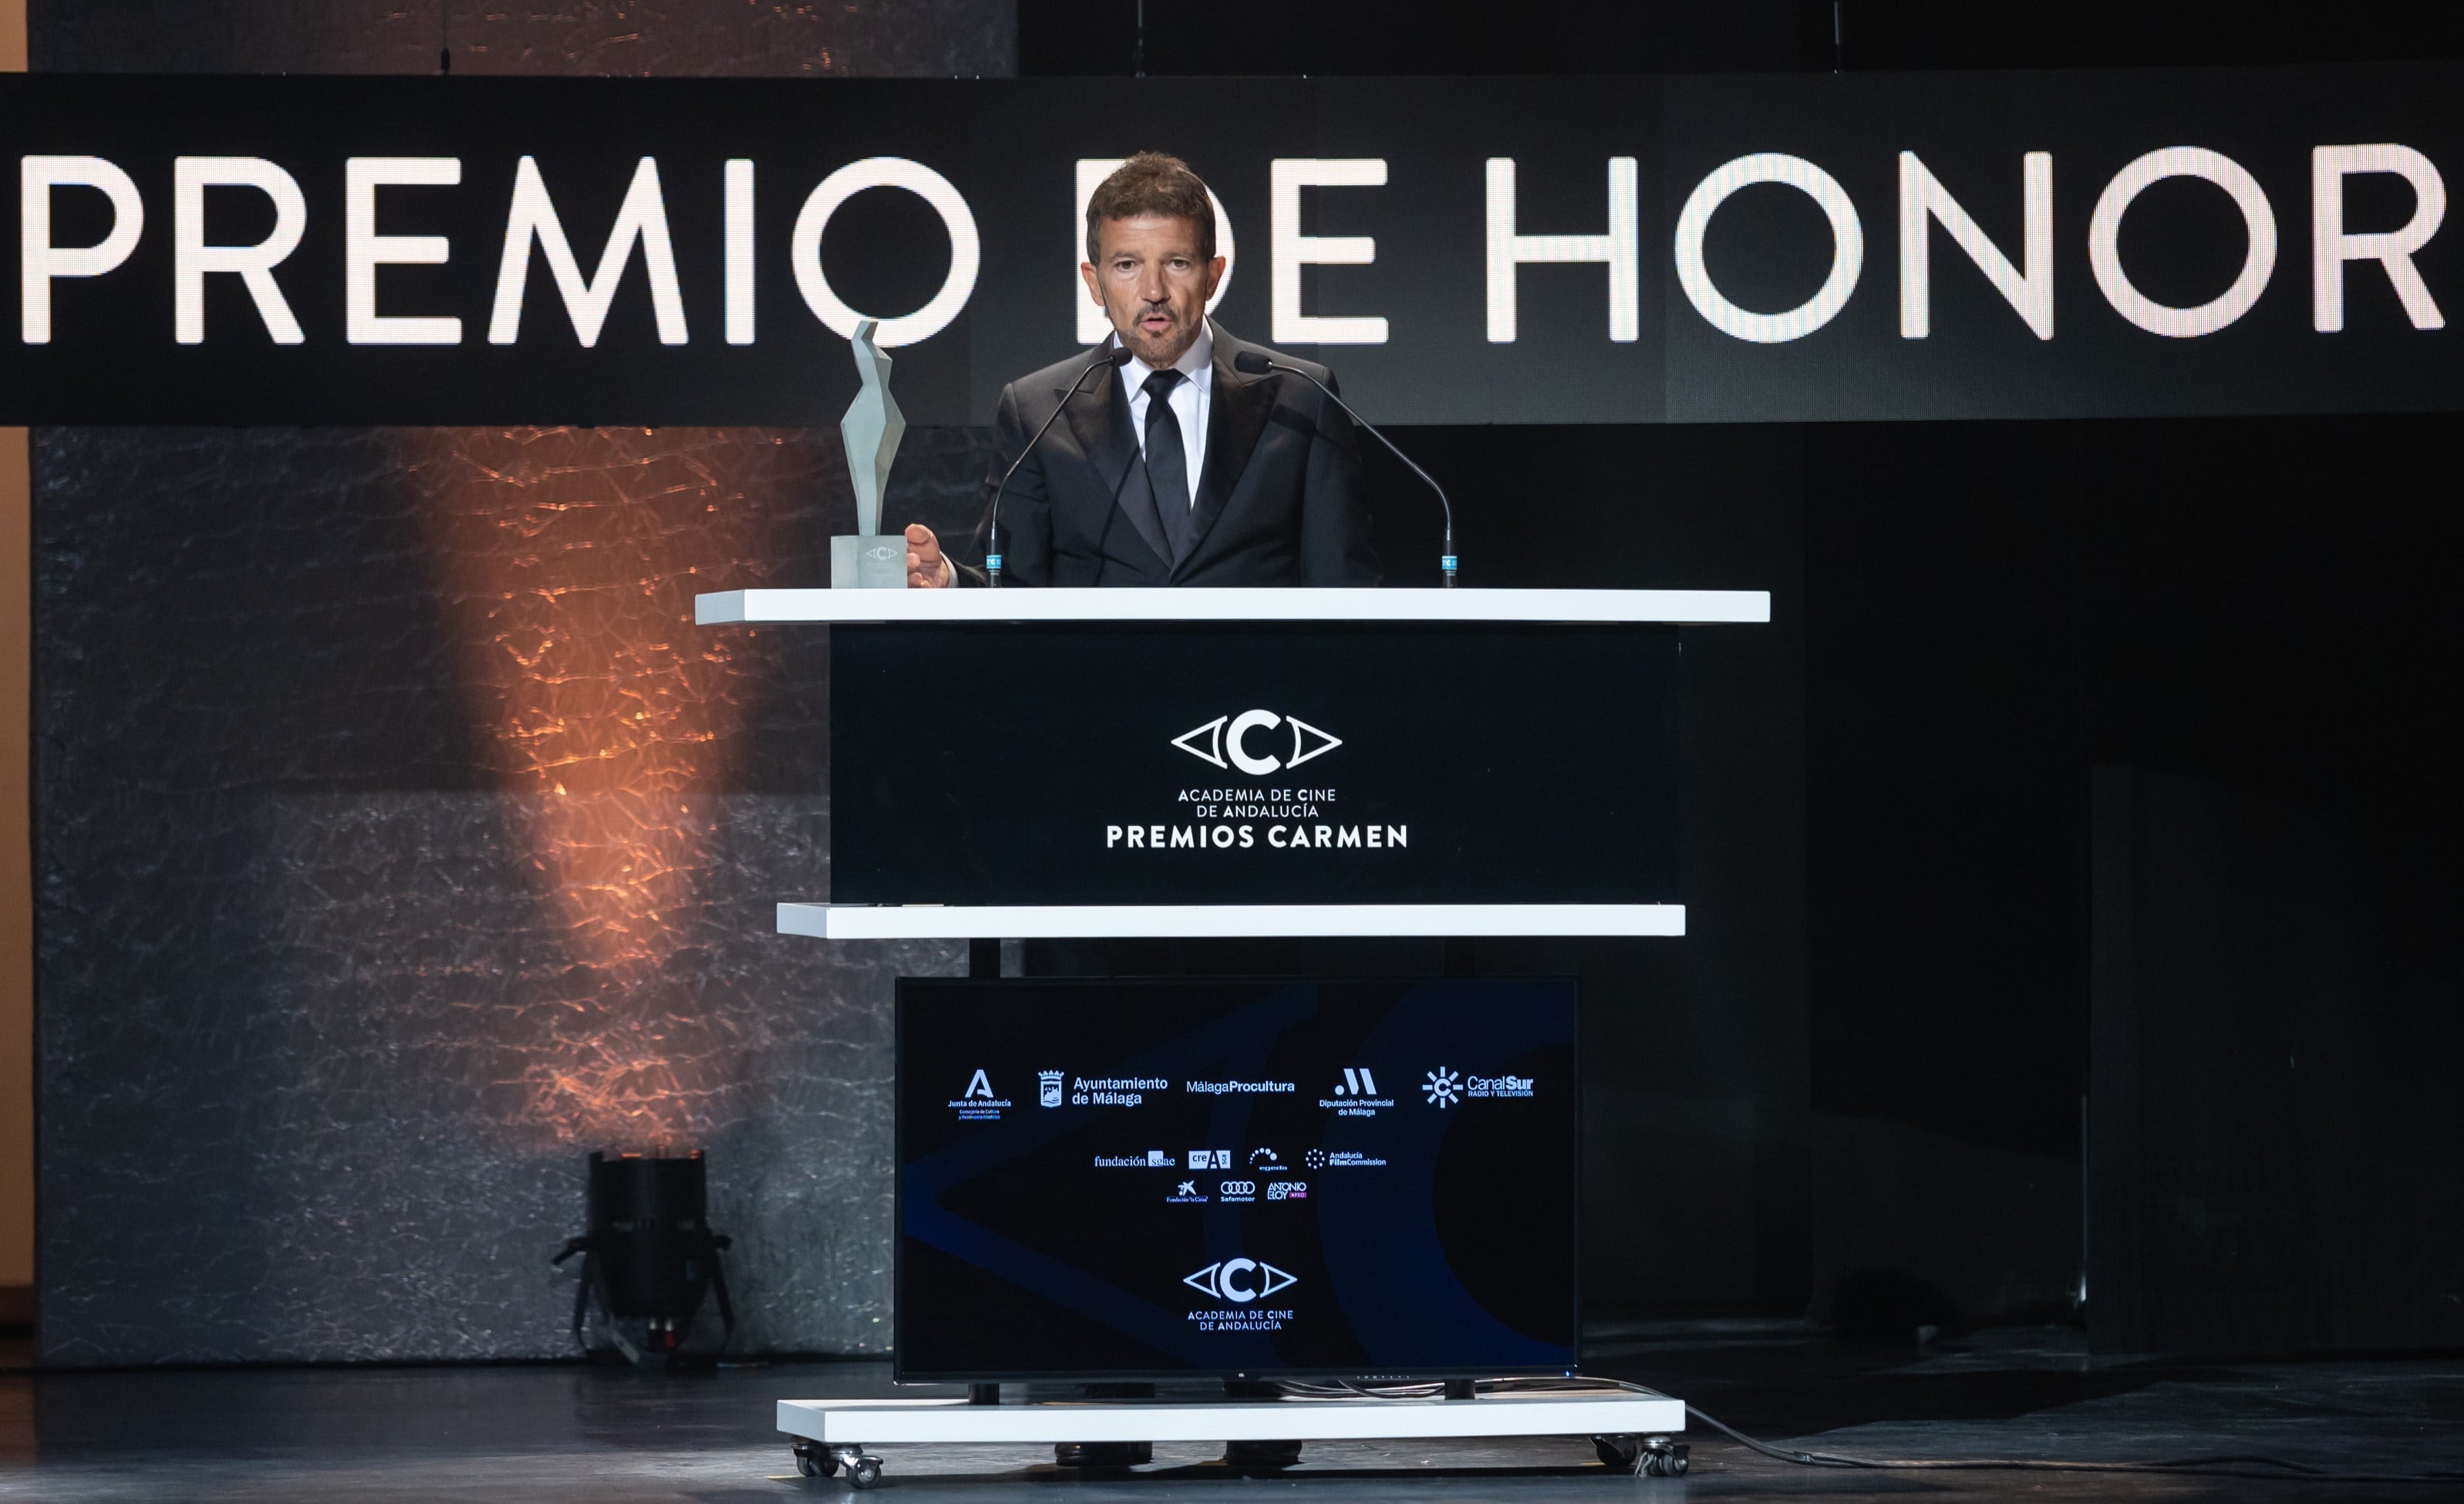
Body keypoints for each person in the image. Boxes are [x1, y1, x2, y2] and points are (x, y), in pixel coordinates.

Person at [903, 152, 1380, 588]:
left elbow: (1345, 591)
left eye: (1176, 263)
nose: (1154, 290)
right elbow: (1009, 583)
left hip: (1259, 681)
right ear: (1095, 282)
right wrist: (949, 580)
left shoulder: (1299, 398)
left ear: (1213, 274)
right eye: (1127, 265)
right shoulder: (1038, 411)